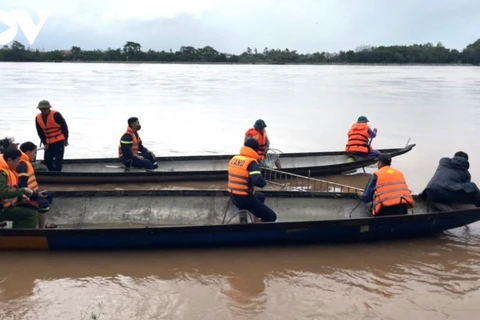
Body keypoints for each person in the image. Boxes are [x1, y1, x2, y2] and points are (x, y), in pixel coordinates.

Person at [227, 138, 278, 223]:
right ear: (255, 150)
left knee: (260, 196)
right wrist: (264, 183)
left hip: (233, 197)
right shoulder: (252, 163)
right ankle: (260, 232)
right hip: (245, 199)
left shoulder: (234, 159)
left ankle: (254, 221)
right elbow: (258, 181)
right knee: (271, 216)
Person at [17, 142, 57, 228]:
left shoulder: (26, 163)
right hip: (24, 196)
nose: (35, 155)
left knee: (48, 195)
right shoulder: (22, 165)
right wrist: (36, 194)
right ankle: (41, 228)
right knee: (43, 203)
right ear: (27, 152)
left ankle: (44, 221)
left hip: (31, 192)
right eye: (34, 152)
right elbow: (22, 187)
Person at [0, 147, 38, 228]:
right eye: (17, 160)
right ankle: (23, 238)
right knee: (30, 214)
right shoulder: (2, 174)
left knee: (30, 207)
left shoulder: (8, 171)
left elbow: (11, 189)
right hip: (1, 209)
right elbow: (3, 192)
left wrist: (21, 195)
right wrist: (22, 190)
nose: (18, 163)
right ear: (10, 160)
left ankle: (16, 235)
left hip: (5, 206)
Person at [35, 100, 69, 171]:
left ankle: (57, 174)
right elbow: (40, 132)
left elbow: (64, 127)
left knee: (58, 160)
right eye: (42, 109)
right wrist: (45, 143)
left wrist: (66, 139)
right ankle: (52, 172)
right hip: (48, 142)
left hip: (59, 140)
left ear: (48, 108)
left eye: (45, 108)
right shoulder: (38, 118)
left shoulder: (56, 115)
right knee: (47, 160)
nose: (43, 110)